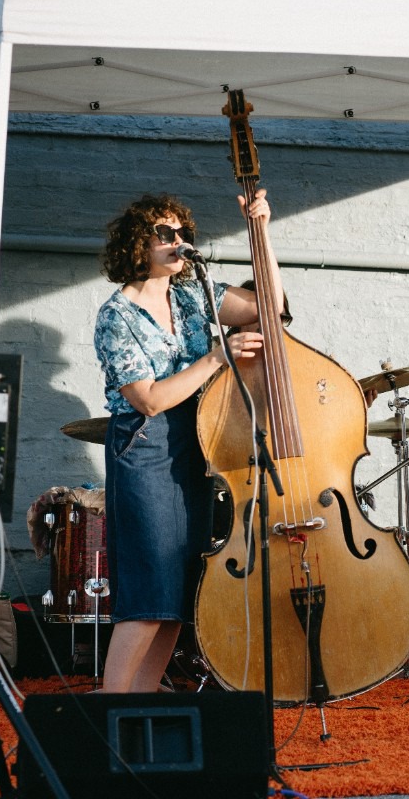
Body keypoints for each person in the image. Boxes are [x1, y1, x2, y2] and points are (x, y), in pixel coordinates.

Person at [94, 189, 282, 693]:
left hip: (196, 442)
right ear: (138, 242)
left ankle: (139, 706)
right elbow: (149, 400)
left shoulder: (193, 293)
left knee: (178, 598)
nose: (179, 242)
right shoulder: (117, 316)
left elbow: (270, 304)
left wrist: (259, 230)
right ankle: (111, 710)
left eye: (184, 234)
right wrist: (217, 358)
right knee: (148, 594)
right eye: (165, 233)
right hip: (146, 445)